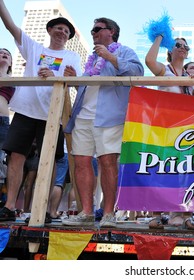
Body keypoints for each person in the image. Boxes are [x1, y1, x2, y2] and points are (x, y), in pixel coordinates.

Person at [0, 0, 82, 222]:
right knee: (15, 156)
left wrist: (64, 77)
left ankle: (43, 210)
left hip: (52, 114)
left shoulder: (73, 57)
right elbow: (10, 25)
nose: (62, 33)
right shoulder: (34, 47)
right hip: (26, 109)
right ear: (49, 30)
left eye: (66, 31)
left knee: (50, 160)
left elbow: (77, 84)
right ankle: (9, 206)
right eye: (59, 28)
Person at [62, 17, 144, 228]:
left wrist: (110, 57)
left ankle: (108, 213)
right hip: (83, 116)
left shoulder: (124, 51)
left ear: (112, 32)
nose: (93, 32)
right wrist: (76, 79)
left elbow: (137, 72)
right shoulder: (92, 58)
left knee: (108, 163)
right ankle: (87, 212)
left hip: (109, 116)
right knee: (81, 162)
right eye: (92, 29)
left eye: (97, 28)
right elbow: (91, 86)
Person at [145, 36, 194, 230]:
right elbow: (149, 62)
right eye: (177, 44)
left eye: (185, 45)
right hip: (165, 129)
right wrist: (160, 36)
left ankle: (187, 215)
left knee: (186, 172)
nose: (182, 47)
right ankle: (156, 215)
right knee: (161, 171)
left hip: (187, 132)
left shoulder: (189, 76)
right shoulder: (165, 70)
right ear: (169, 49)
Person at [0, 48, 14, 188]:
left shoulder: (15, 80)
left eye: (7, 54)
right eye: (0, 52)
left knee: (0, 161)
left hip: (3, 122)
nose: (4, 54)